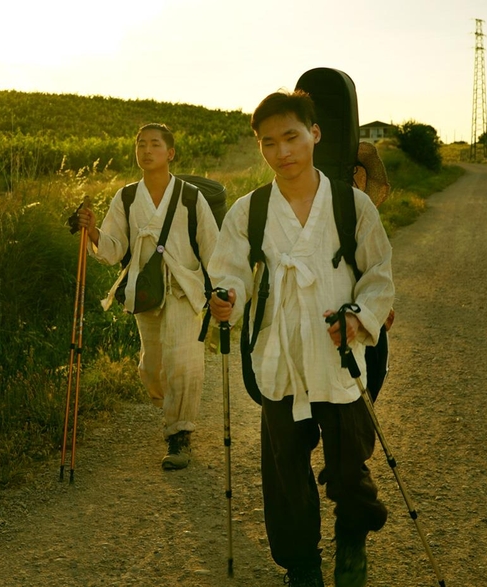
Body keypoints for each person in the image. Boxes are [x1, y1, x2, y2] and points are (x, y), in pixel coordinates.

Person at [207, 91, 395, 587]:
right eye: (269, 143)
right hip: (280, 353)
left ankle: (352, 536)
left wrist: (360, 318)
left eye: (291, 137)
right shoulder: (250, 210)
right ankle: (302, 565)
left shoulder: (350, 204)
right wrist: (226, 296)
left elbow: (378, 273)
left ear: (314, 133)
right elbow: (230, 272)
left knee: (348, 463)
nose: (282, 151)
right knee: (285, 471)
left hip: (340, 351)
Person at [70, 123, 219, 470]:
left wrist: (221, 288)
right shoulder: (126, 197)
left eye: (154, 144)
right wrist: (92, 230)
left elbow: (213, 247)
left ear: (170, 153)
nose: (146, 150)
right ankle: (173, 410)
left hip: (184, 290)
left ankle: (179, 433)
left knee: (182, 360)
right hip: (144, 290)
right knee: (152, 367)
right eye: (141, 144)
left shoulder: (190, 197)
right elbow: (112, 248)